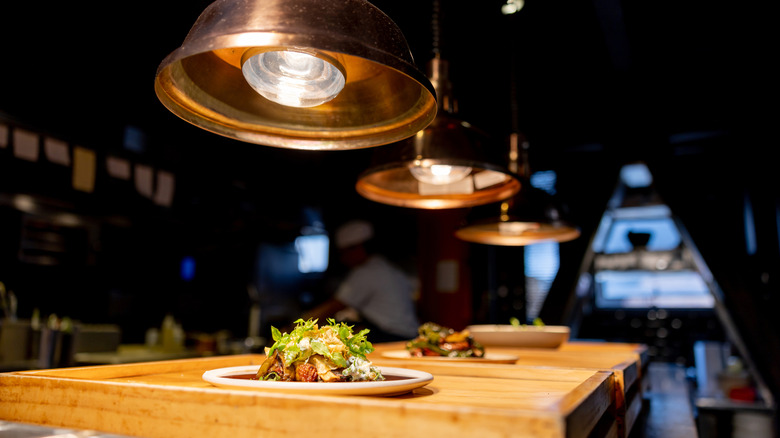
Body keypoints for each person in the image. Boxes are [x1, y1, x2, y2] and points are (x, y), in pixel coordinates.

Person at [301, 219, 420, 342]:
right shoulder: (383, 266)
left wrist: (298, 326)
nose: (343, 259)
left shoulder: (367, 272)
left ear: (358, 248)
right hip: (408, 335)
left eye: (344, 253)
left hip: (393, 337)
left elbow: (334, 306)